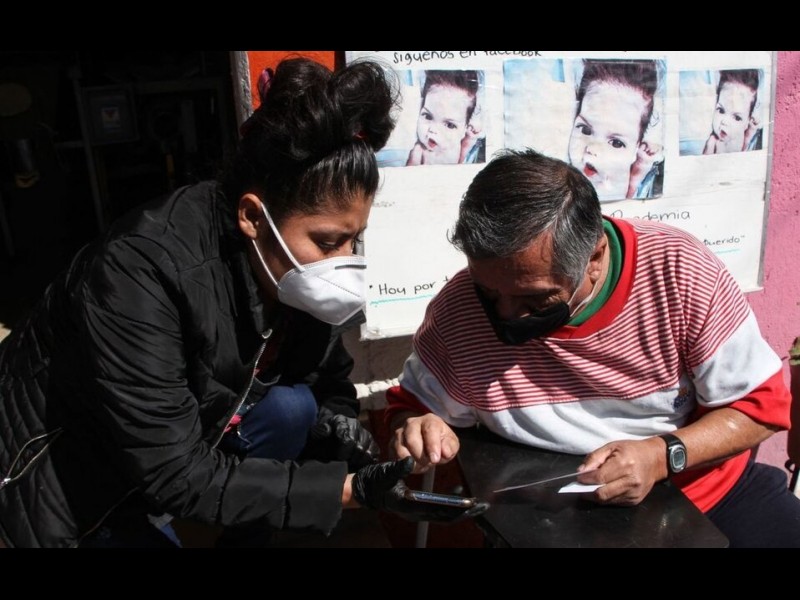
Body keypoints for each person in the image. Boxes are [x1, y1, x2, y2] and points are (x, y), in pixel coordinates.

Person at [0, 57, 484, 548]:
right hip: (63, 490)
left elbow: (323, 377)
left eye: (353, 239)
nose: (343, 261)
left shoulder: (284, 265)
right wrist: (350, 491)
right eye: (327, 241)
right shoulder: (137, 274)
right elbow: (174, 474)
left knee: (294, 409)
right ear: (252, 216)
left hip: (178, 446)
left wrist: (338, 426)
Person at [386, 148, 800, 548]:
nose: (507, 314)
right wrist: (418, 426)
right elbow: (413, 408)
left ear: (596, 256)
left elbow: (761, 408)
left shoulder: (678, 272)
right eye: (490, 293)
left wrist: (661, 456)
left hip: (697, 490)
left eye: (536, 299)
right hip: (544, 513)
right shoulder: (459, 309)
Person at [568, 59, 663, 201]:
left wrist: (637, 174)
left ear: (635, 150)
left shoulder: (615, 186)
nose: (592, 149)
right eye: (585, 130)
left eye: (616, 143)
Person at [406, 70, 485, 166]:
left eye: (450, 125)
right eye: (428, 116)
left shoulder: (455, 146)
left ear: (465, 129)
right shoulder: (418, 152)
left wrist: (469, 141)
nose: (433, 130)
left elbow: (459, 164)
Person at [703, 69, 763, 155]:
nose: (725, 122)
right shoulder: (712, 143)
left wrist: (749, 134)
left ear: (747, 122)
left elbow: (743, 150)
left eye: (737, 118)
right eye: (721, 110)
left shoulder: (742, 138)